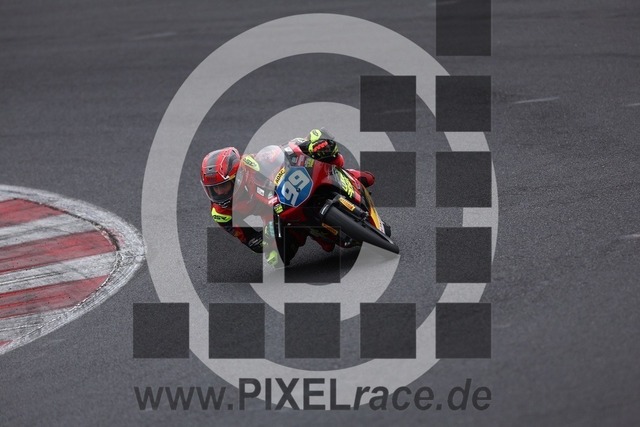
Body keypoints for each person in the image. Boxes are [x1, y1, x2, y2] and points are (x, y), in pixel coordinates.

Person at [200, 128, 375, 266]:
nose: (219, 193)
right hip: (272, 214)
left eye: (223, 186)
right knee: (276, 258)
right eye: (213, 189)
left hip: (287, 187)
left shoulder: (253, 164)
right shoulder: (220, 212)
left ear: (237, 176)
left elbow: (287, 149)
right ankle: (314, 230)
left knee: (362, 174)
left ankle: (348, 178)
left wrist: (311, 146)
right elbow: (246, 237)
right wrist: (258, 241)